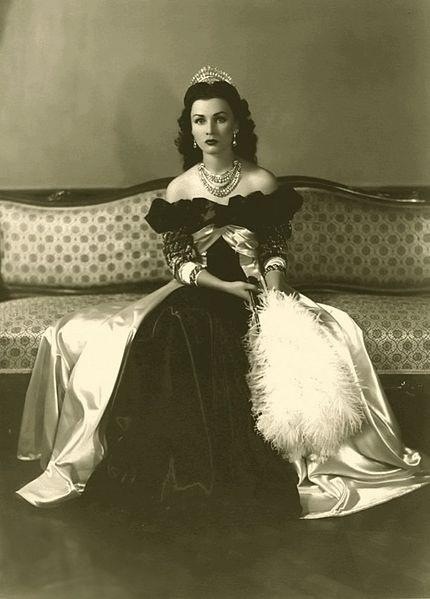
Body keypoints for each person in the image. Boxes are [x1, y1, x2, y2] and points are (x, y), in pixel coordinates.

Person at [16, 66, 429, 523]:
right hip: (202, 288)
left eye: (220, 118)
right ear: (189, 129)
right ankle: (182, 475)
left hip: (255, 289)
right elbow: (178, 263)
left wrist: (268, 299)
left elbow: (275, 253)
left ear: (237, 124)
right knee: (176, 328)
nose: (209, 129)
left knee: (259, 340)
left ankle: (239, 476)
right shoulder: (180, 188)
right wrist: (222, 285)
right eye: (199, 120)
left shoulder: (262, 182)